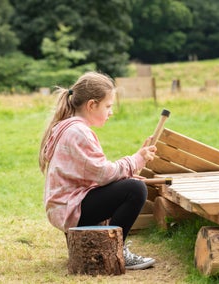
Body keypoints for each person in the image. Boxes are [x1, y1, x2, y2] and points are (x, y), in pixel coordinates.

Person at [38, 71, 157, 270]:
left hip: (67, 206)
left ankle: (103, 246)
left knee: (129, 185)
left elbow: (94, 175)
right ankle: (117, 250)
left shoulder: (69, 127)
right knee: (135, 189)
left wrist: (127, 173)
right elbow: (104, 174)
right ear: (92, 105)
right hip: (71, 208)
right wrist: (136, 160)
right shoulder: (79, 132)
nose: (111, 112)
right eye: (108, 106)